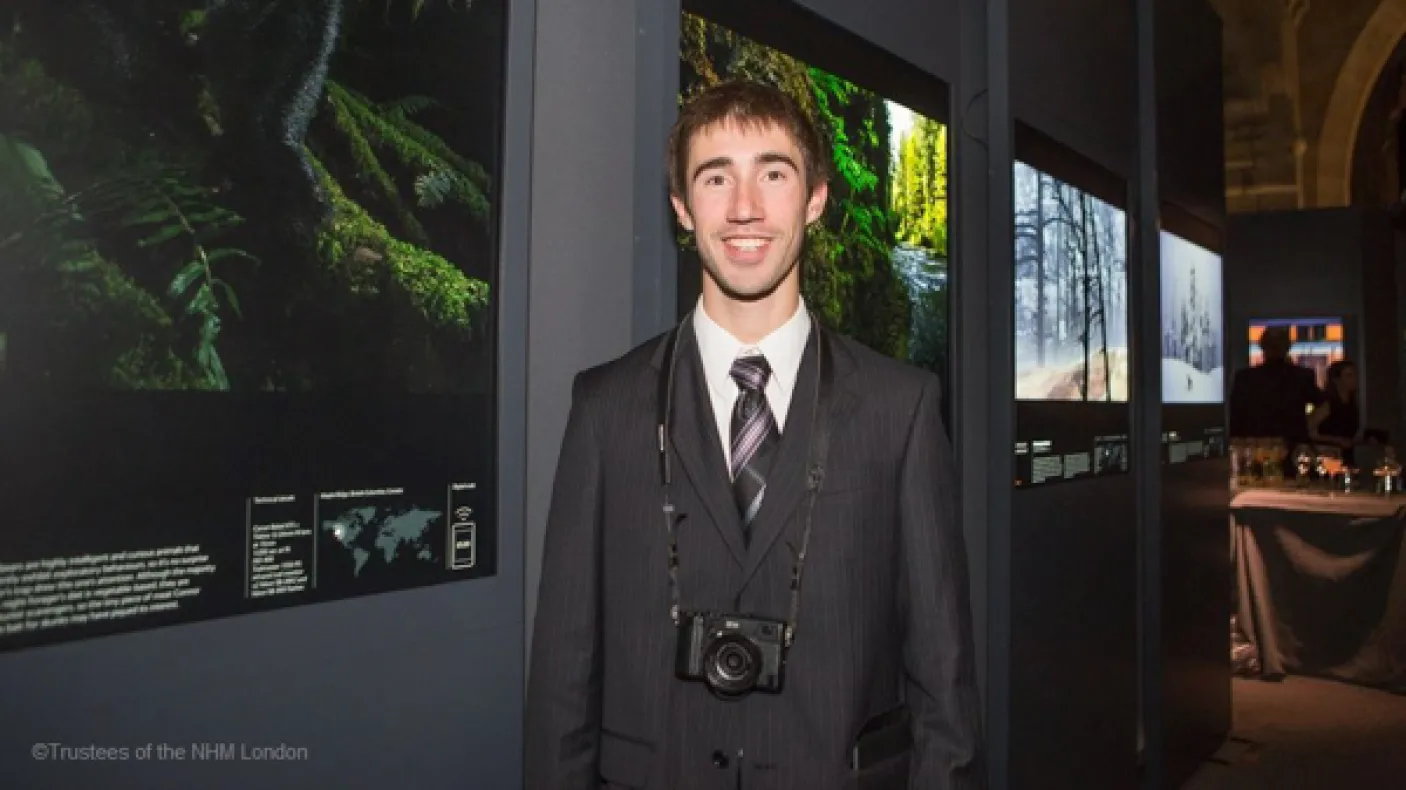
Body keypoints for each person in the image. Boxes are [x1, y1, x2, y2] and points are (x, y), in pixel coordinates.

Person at [525, 81, 985, 790]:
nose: (745, 207)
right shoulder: (604, 407)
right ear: (681, 207)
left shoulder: (904, 407)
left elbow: (943, 679)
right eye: (717, 178)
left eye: (773, 172)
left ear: (816, 197)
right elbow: (562, 675)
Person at [1228, 325, 1323, 451]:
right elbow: (1325, 404)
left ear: (1262, 347)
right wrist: (1306, 426)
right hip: (1292, 447)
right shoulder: (1302, 376)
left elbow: (1235, 416)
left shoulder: (1245, 377)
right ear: (1287, 348)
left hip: (1255, 448)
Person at [1308, 360, 1361, 462]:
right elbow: (1309, 430)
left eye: (1354, 375)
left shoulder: (1351, 404)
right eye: (1349, 375)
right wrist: (1336, 440)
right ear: (1337, 380)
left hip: (1346, 455)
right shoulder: (1328, 405)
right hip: (1328, 456)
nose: (1354, 379)